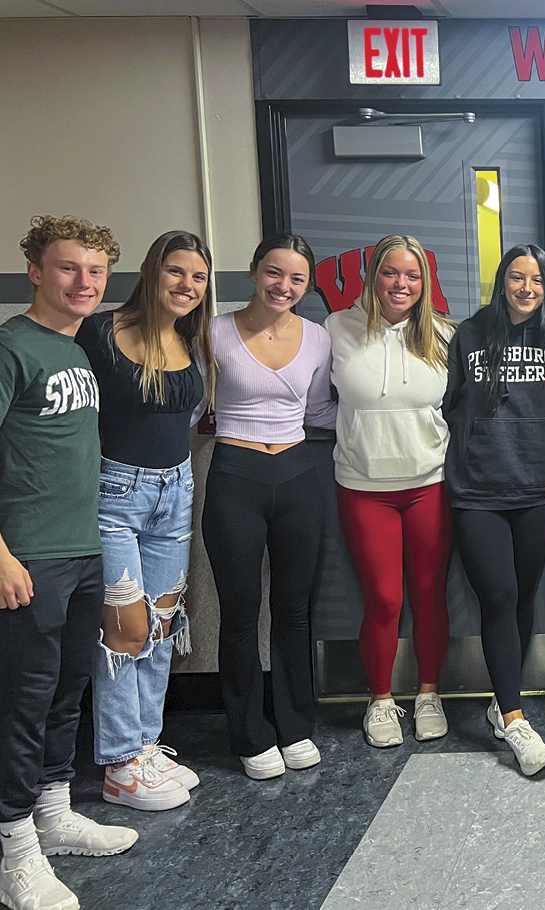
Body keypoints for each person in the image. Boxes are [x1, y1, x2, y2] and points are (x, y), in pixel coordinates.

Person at [2, 216, 138, 910]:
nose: (83, 283)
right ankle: (14, 849)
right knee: (22, 703)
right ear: (34, 270)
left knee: (66, 691)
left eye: (95, 271)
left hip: (82, 549)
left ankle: (53, 814)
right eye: (67, 268)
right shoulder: (10, 347)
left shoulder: (77, 352)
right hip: (28, 557)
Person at [77, 231, 214, 812]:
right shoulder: (100, 333)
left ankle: (145, 745)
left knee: (159, 627)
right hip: (113, 495)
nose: (187, 286)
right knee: (123, 630)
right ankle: (117, 762)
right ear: (151, 272)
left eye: (199, 277)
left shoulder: (190, 340)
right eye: (176, 272)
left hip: (174, 493)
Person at [202, 234, 335, 781]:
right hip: (236, 473)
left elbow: (322, 408)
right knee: (239, 613)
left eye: (297, 278)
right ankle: (249, 734)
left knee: (294, 609)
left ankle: (295, 725)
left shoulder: (319, 338)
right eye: (275, 273)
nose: (284, 286)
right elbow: (192, 401)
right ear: (254, 271)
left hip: (299, 474)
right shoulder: (214, 330)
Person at [326, 235, 457, 749]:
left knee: (428, 595)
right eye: (390, 273)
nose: (401, 284)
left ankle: (428, 693)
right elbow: (315, 399)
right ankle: (380, 699)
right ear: (373, 276)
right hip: (363, 485)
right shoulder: (336, 329)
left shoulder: (445, 334)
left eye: (412, 276)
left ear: (425, 284)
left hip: (430, 483)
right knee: (383, 599)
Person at [444, 244, 545, 776]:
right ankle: (516, 721)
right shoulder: (469, 334)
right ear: (502, 281)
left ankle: (500, 701)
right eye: (517, 278)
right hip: (478, 491)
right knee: (497, 595)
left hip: (538, 487)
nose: (526, 289)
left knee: (522, 599)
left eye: (537, 280)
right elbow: (447, 406)